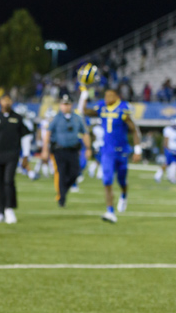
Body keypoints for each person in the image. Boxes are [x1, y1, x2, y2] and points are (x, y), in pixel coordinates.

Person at [81, 87, 142, 223]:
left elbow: (134, 129)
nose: (107, 98)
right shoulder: (102, 108)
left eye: (110, 96)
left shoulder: (123, 108)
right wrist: (84, 95)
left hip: (122, 151)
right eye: (106, 96)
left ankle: (124, 194)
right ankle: (110, 211)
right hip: (107, 151)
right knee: (107, 180)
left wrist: (138, 150)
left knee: (121, 180)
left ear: (116, 97)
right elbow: (84, 111)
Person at [41, 94, 90, 207]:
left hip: (73, 150)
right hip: (59, 150)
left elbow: (85, 133)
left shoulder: (77, 118)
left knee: (75, 172)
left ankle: (64, 190)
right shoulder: (56, 118)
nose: (66, 106)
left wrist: (88, 148)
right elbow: (48, 133)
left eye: (68, 104)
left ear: (71, 105)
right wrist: (45, 149)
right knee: (62, 173)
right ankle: (62, 197)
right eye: (64, 104)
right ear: (60, 105)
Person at [0, 94, 28, 222]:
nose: (6, 102)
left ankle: (9, 208)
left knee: (8, 180)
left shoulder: (17, 118)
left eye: (8, 100)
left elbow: (26, 136)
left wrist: (26, 156)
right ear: (0, 101)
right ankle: (0, 211)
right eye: (4, 100)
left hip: (12, 154)